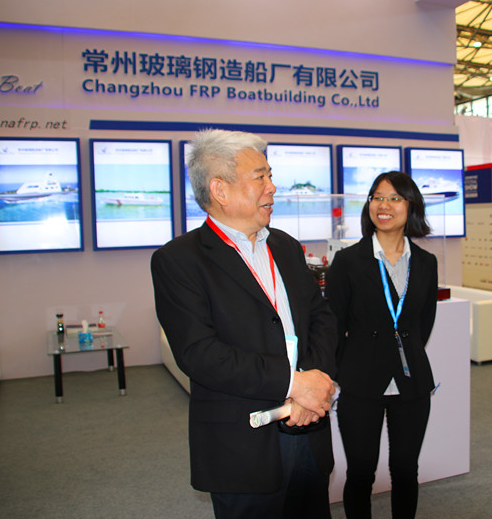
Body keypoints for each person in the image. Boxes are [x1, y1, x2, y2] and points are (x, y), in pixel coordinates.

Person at [151, 129, 337, 519]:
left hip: (308, 427)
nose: (272, 187)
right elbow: (200, 354)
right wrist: (293, 384)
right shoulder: (179, 260)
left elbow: (321, 318)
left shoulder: (285, 246)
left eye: (270, 175)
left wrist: (311, 384)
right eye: (260, 177)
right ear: (220, 189)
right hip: (243, 446)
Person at [326, 171, 438, 519]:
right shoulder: (347, 261)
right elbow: (333, 327)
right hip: (361, 382)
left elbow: (423, 324)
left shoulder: (426, 262)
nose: (383, 205)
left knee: (406, 470)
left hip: (411, 382)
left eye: (394, 198)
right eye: (377, 197)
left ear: (411, 206)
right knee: (360, 472)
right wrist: (342, 372)